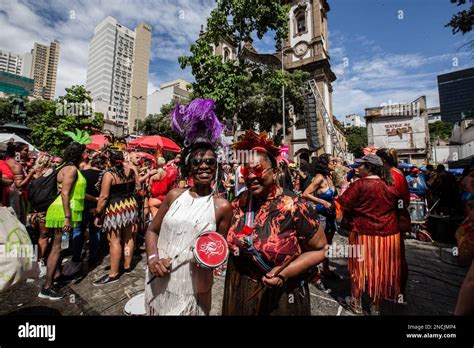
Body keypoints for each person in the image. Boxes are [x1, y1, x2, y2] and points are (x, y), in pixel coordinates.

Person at [223, 130, 327, 315]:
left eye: (258, 169)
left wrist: (286, 272)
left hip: (282, 298)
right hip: (241, 293)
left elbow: (320, 249)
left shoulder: (294, 206)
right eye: (246, 171)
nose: (251, 176)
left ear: (276, 171)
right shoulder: (241, 202)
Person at [145, 98, 232, 315]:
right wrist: (153, 259)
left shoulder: (222, 206)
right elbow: (152, 230)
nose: (204, 166)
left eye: (210, 162)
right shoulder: (174, 196)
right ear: (189, 167)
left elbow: (218, 249)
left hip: (195, 289)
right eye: (197, 162)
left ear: (216, 167)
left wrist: (213, 258)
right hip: (160, 280)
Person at [336, 154, 401, 315]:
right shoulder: (390, 185)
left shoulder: (360, 185)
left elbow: (344, 203)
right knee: (381, 270)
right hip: (388, 235)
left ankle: (356, 303)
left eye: (360, 165)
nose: (356, 168)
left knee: (358, 268)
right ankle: (376, 305)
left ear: (370, 167)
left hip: (362, 232)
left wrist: (344, 187)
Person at [40, 142, 87, 300]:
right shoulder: (72, 169)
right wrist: (67, 217)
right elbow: (65, 194)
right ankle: (47, 287)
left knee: (61, 248)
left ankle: (57, 276)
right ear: (79, 154)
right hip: (63, 211)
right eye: (85, 152)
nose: (86, 155)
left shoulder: (64, 167)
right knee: (57, 248)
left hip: (64, 210)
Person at [93, 150, 139, 285]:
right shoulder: (130, 170)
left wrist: (97, 213)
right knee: (128, 237)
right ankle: (127, 265)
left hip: (115, 208)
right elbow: (137, 186)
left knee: (114, 240)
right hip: (130, 206)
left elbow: (104, 197)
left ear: (109, 161)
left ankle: (113, 274)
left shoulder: (109, 174)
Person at [376, 148, 410, 302]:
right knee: (398, 257)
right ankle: (399, 291)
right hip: (396, 218)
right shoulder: (399, 172)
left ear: (383, 161)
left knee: (391, 257)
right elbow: (405, 200)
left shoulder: (390, 175)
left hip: (389, 220)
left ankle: (393, 291)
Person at [66, 154, 106, 274]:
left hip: (83, 206)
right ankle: (93, 255)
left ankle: (77, 256)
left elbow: (80, 193)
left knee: (78, 231)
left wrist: (93, 199)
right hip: (98, 207)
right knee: (95, 231)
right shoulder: (105, 176)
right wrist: (97, 200)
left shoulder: (82, 174)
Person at [302, 154, 338, 281]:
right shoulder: (319, 178)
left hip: (330, 216)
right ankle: (313, 273)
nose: (335, 163)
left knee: (328, 245)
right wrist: (322, 202)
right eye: (332, 161)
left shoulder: (329, 176)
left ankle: (326, 270)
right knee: (320, 246)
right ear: (325, 164)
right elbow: (305, 194)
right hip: (321, 216)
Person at [27, 154, 56, 277]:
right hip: (45, 211)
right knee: (44, 236)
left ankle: (38, 261)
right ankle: (39, 262)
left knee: (40, 236)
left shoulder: (34, 179)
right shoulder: (51, 177)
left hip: (36, 211)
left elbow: (30, 196)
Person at [1, 142, 35, 223]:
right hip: (15, 197)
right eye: (26, 150)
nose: (28, 153)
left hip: (8, 195)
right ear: (17, 152)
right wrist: (31, 174)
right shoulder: (16, 165)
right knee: (17, 220)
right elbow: (19, 185)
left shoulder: (7, 161)